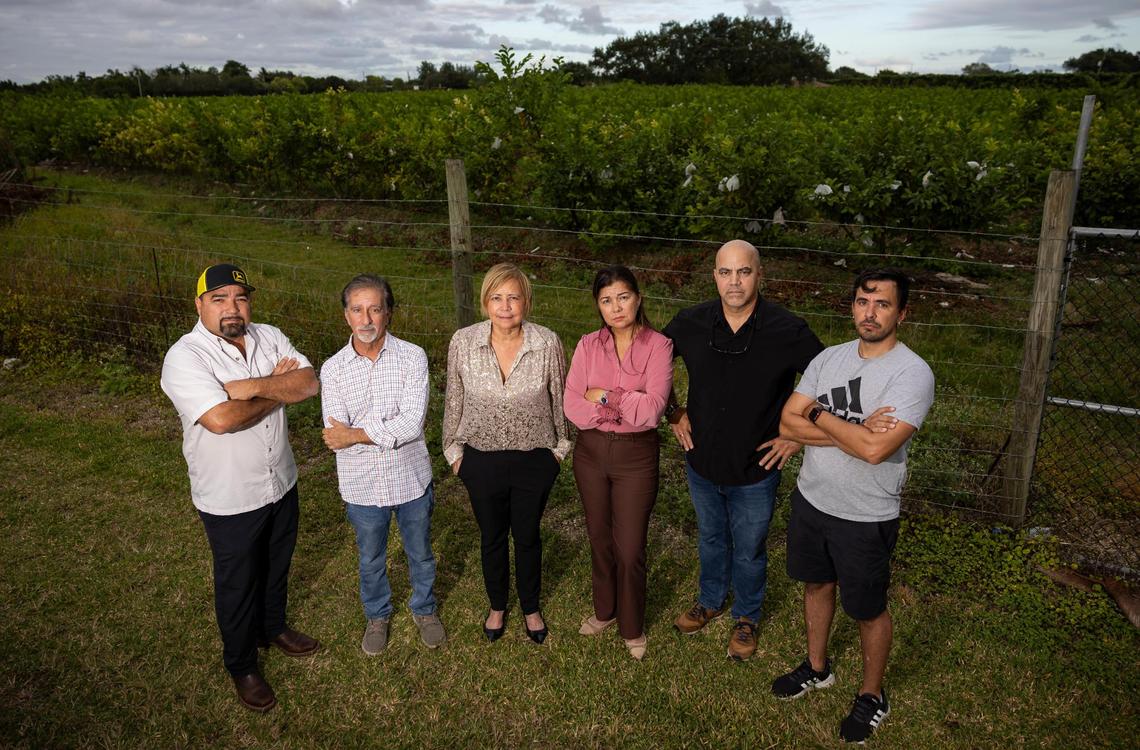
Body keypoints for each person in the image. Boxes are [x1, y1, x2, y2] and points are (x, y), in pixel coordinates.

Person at [770, 268, 934, 744]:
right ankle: (817, 667)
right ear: (852, 306)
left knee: (867, 608)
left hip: (866, 513)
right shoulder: (829, 358)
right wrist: (854, 427)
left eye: (882, 304)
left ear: (902, 313)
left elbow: (875, 451)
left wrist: (818, 414)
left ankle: (871, 695)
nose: (871, 311)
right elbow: (787, 424)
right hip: (813, 496)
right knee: (816, 584)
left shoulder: (912, 373)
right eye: (863, 301)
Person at [160, 263, 321, 714]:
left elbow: (308, 382)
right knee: (237, 582)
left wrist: (246, 388)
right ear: (199, 304)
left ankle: (273, 628)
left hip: (281, 480)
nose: (232, 308)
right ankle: (242, 664)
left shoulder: (269, 335)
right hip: (230, 494)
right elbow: (221, 420)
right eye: (219, 298)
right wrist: (277, 389)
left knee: (276, 564)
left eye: (240, 297)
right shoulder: (185, 356)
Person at [662, 239, 823, 660]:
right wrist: (673, 411)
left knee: (750, 547)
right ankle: (711, 600)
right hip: (702, 460)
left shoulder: (787, 330)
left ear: (759, 275)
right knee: (711, 537)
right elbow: (649, 366)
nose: (734, 282)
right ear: (715, 276)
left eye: (744, 272)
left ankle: (747, 616)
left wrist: (796, 435)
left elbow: (829, 381)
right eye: (725, 272)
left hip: (756, 467)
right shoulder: (691, 322)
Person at [442, 262, 571, 644]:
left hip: (535, 459)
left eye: (513, 297)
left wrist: (559, 451)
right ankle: (498, 604)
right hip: (480, 459)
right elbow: (454, 399)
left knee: (528, 535)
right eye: (497, 297)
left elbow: (560, 399)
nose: (505, 306)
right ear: (485, 303)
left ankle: (530, 606)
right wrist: (454, 453)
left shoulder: (546, 342)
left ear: (526, 302)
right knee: (492, 536)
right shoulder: (463, 342)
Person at [320, 274, 445, 655]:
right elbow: (332, 430)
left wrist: (356, 435)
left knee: (420, 552)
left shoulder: (413, 356)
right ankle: (377, 614)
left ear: (388, 312)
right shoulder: (333, 368)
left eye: (375, 308)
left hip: (410, 478)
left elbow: (411, 424)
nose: (367, 318)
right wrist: (371, 432)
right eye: (357, 309)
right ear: (346, 316)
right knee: (370, 557)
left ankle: (424, 608)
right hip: (361, 484)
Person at [563, 265, 673, 661]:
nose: (616, 307)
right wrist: (625, 400)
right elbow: (573, 404)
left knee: (629, 546)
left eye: (623, 297)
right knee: (599, 537)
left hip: (635, 457)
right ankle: (605, 611)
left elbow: (653, 410)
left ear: (638, 298)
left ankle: (632, 624)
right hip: (591, 452)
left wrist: (605, 395)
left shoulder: (659, 346)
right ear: (599, 306)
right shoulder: (588, 345)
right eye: (606, 300)